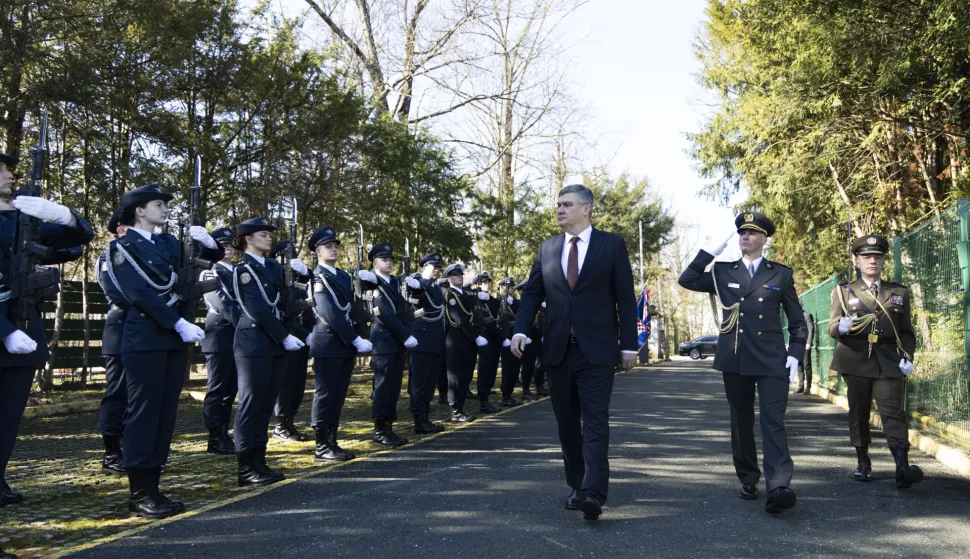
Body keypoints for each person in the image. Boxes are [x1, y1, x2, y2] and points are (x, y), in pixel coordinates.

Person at [511, 184, 638, 521]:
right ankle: (577, 484)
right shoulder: (548, 248)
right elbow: (531, 295)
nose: (560, 210)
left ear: (587, 209)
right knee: (567, 424)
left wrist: (629, 345)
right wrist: (520, 330)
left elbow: (625, 297)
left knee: (595, 420)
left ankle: (594, 491)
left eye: (567, 205)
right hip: (557, 352)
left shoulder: (611, 245)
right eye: (558, 205)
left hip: (596, 352)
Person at [678, 211, 807, 515]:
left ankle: (779, 486)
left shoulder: (780, 274)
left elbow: (798, 322)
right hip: (735, 357)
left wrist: (795, 354)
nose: (745, 237)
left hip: (772, 357)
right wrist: (709, 252)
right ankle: (748, 477)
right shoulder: (723, 272)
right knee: (742, 421)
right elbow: (687, 279)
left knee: (773, 421)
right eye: (742, 233)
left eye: (752, 233)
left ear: (764, 239)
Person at [108, 184, 222, 518]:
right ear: (139, 211)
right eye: (158, 204)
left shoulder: (168, 243)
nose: (165, 208)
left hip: (171, 339)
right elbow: (137, 293)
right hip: (145, 336)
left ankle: (154, 485)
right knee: (143, 414)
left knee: (164, 414)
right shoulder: (121, 247)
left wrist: (210, 243)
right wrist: (177, 322)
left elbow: (205, 261)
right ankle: (139, 491)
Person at [0, 149, 95, 524]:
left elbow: (79, 238)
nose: (9, 175)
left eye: (9, 169)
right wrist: (4, 332)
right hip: (10, 331)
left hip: (24, 330)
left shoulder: (25, 220)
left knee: (6, 427)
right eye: (1, 170)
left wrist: (63, 215)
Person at [828, 235, 922, 488]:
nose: (872, 261)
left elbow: (905, 332)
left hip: (888, 360)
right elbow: (832, 326)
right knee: (859, 413)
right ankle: (863, 462)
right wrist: (843, 328)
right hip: (855, 359)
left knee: (894, 413)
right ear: (857, 261)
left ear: (883, 261)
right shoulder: (843, 290)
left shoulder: (898, 292)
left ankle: (902, 465)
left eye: (877, 257)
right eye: (867, 257)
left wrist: (908, 357)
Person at [231, 217, 307, 486]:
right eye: (263, 234)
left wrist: (300, 275)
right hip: (253, 343)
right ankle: (245, 466)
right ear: (248, 239)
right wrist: (284, 336)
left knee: (265, 406)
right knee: (251, 404)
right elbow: (257, 309)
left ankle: (259, 462)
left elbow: (286, 301)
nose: (269, 238)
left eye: (269, 234)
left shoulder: (274, 267)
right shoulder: (243, 269)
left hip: (273, 343)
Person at [307, 226, 372, 461]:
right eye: (328, 246)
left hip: (345, 344)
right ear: (318, 251)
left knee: (339, 394)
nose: (333, 250)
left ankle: (332, 440)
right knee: (325, 394)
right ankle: (321, 445)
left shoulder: (344, 276)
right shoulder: (316, 278)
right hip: (328, 342)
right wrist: (355, 338)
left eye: (335, 246)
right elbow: (330, 312)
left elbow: (355, 309)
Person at [362, 242, 417, 446]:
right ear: (375, 263)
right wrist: (405, 335)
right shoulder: (372, 282)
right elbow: (385, 314)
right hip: (383, 341)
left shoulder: (395, 282)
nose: (389, 262)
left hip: (396, 342)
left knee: (393, 386)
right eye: (384, 259)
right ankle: (379, 429)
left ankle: (389, 428)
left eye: (391, 259)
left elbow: (405, 310)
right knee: (383, 387)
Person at [200, 226, 241, 455]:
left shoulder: (236, 271)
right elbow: (222, 304)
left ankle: (225, 433)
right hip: (220, 334)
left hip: (235, 335)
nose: (227, 249)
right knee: (217, 388)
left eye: (228, 245)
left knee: (230, 388)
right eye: (221, 246)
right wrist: (246, 325)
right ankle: (215, 437)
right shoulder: (209, 271)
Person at [95, 209, 129, 475]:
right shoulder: (109, 258)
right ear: (120, 230)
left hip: (144, 333)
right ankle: (111, 453)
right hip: (120, 331)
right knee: (117, 394)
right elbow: (117, 293)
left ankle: (132, 447)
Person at [270, 240, 315, 443]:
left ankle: (290, 421)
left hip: (300, 335)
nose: (289, 261)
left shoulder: (297, 281)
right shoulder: (274, 278)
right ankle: (280, 425)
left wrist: (306, 274)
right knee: (285, 384)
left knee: (297, 384)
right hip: (282, 336)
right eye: (285, 257)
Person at [407, 253, 447, 434]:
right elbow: (415, 301)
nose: (437, 271)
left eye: (439, 268)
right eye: (433, 267)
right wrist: (421, 281)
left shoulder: (435, 288)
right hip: (421, 340)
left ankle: (425, 417)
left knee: (431, 382)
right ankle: (418, 420)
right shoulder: (418, 284)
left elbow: (439, 306)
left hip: (435, 341)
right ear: (425, 268)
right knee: (420, 383)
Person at [444, 263, 488, 422]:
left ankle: (460, 407)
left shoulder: (464, 294)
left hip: (467, 341)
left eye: (461, 275)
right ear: (449, 278)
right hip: (456, 341)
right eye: (455, 275)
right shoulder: (452, 296)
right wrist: (475, 336)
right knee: (456, 377)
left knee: (466, 375)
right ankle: (455, 410)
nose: (459, 277)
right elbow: (460, 320)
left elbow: (473, 315)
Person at [471, 272, 502, 414]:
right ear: (477, 284)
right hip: (484, 337)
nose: (487, 284)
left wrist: (488, 298)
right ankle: (483, 401)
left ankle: (487, 397)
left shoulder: (491, 299)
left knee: (492, 369)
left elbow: (497, 309)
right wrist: (477, 296)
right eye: (483, 282)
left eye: (488, 282)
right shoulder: (474, 298)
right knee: (484, 370)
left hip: (494, 339)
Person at [497, 276, 522, 408]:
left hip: (515, 338)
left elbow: (521, 315)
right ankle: (505, 395)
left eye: (512, 287)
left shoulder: (516, 302)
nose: (511, 289)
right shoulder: (498, 301)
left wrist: (512, 304)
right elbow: (500, 320)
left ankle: (510, 393)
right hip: (506, 338)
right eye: (508, 287)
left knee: (515, 367)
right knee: (507, 368)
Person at [796, 303, 815, 394]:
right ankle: (801, 386)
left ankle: (808, 387)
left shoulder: (807, 315)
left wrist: (809, 342)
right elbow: (792, 330)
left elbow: (811, 329)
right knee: (799, 366)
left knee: (806, 365)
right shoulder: (794, 317)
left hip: (805, 344)